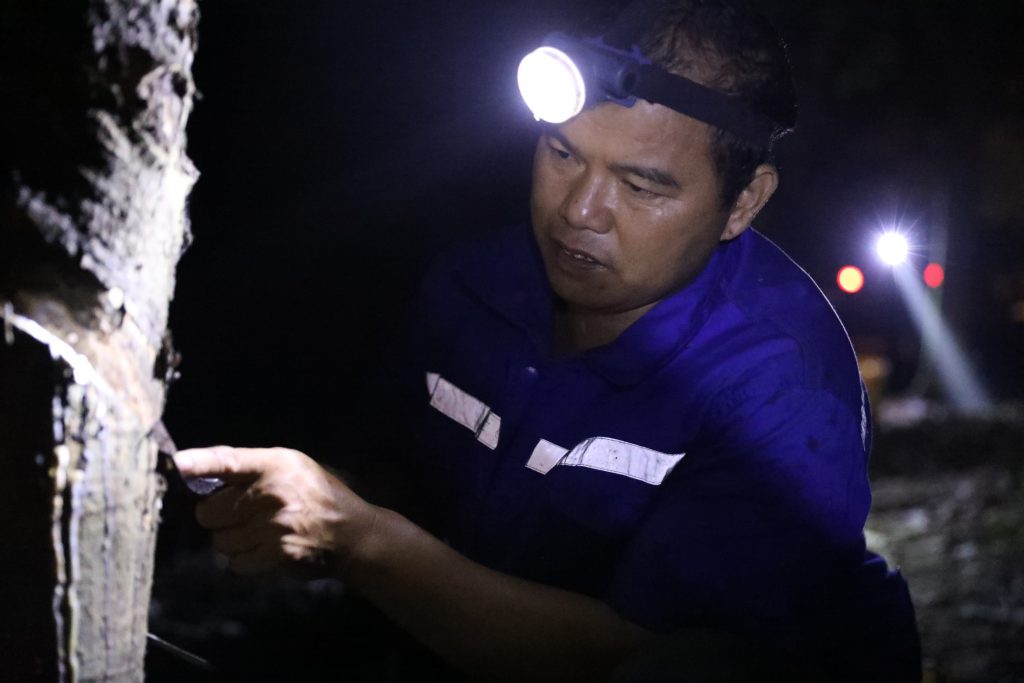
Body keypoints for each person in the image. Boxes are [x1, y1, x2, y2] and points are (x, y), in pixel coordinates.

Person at [175, 1, 921, 680]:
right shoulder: (473, 285)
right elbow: (394, 472)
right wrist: (296, 501)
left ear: (743, 202)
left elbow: (620, 654)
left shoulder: (784, 388)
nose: (580, 212)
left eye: (641, 185)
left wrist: (359, 539)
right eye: (563, 153)